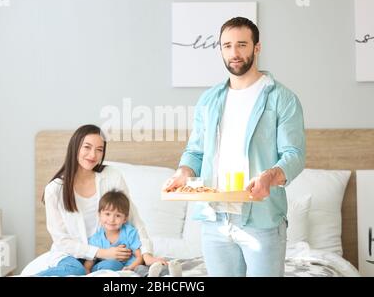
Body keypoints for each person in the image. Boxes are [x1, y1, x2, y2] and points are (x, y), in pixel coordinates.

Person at [162, 17, 305, 277]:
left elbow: (294, 155)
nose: (234, 53)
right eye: (227, 46)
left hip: (262, 219)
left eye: (241, 44)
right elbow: (195, 152)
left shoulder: (282, 98)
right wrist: (183, 171)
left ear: (257, 48)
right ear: (220, 50)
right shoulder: (209, 99)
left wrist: (269, 176)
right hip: (214, 218)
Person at [25, 124, 165, 276]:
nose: (93, 155)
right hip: (70, 255)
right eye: (87, 147)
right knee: (75, 269)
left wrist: (147, 254)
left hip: (104, 257)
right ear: (75, 147)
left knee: (113, 266)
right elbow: (62, 241)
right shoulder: (55, 189)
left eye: (99, 149)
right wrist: (102, 252)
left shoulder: (112, 176)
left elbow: (133, 219)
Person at [83, 190, 144, 273]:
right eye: (107, 214)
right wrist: (87, 272)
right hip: (107, 267)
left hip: (130, 267)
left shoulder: (129, 232)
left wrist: (130, 268)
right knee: (111, 264)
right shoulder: (96, 239)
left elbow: (139, 257)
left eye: (118, 215)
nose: (112, 220)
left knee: (142, 268)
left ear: (125, 219)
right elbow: (88, 264)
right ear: (99, 215)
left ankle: (156, 271)